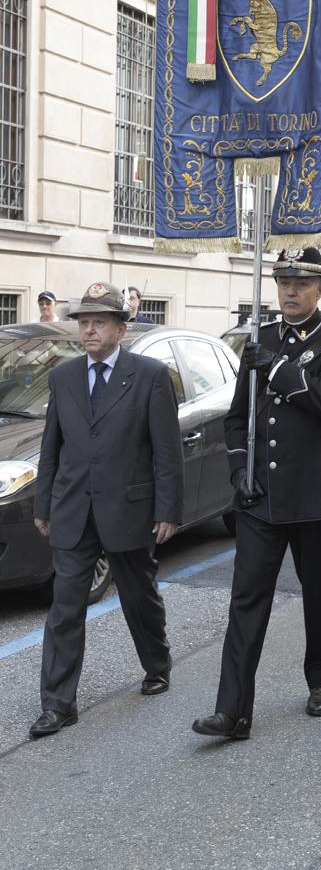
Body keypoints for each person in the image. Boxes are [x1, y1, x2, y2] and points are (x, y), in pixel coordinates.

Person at [193, 248, 321, 740]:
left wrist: (276, 369)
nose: (289, 291)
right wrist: (240, 470)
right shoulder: (260, 339)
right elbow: (236, 418)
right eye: (283, 282)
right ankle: (232, 711)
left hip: (314, 493)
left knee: (318, 594)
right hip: (261, 497)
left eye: (301, 284)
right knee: (246, 600)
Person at [30, 282, 184, 737]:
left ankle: (157, 661)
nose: (89, 330)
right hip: (74, 510)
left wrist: (167, 509)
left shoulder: (150, 376)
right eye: (83, 322)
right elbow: (51, 447)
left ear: (120, 328)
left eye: (98, 322)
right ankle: (58, 704)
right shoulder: (63, 377)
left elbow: (166, 451)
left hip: (130, 510)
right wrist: (44, 504)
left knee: (139, 596)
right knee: (65, 607)